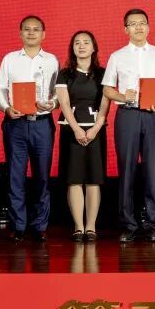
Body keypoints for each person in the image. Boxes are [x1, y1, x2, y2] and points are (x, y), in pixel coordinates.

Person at [102, 8, 155, 243]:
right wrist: (123, 96)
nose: (138, 27)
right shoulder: (117, 56)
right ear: (126, 29)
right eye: (133, 24)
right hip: (128, 115)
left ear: (148, 27)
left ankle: (152, 224)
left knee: (152, 170)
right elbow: (107, 89)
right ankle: (128, 224)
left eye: (142, 23)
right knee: (127, 170)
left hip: (152, 116)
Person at [0, 15, 59, 242]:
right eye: (27, 29)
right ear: (20, 33)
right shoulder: (10, 59)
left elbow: (58, 93)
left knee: (42, 175)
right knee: (15, 175)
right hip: (16, 124)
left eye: (36, 29)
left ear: (43, 34)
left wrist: (52, 104)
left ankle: (40, 225)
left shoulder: (52, 60)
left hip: (42, 123)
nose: (31, 33)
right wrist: (6, 108)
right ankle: (18, 225)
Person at [55, 30, 110, 242]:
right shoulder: (65, 74)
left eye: (86, 42)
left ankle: (91, 227)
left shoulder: (103, 73)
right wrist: (77, 129)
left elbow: (105, 103)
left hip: (96, 130)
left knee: (94, 180)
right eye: (77, 42)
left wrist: (95, 128)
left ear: (94, 47)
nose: (82, 46)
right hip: (71, 130)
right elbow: (64, 103)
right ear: (72, 48)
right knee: (74, 179)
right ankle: (78, 227)